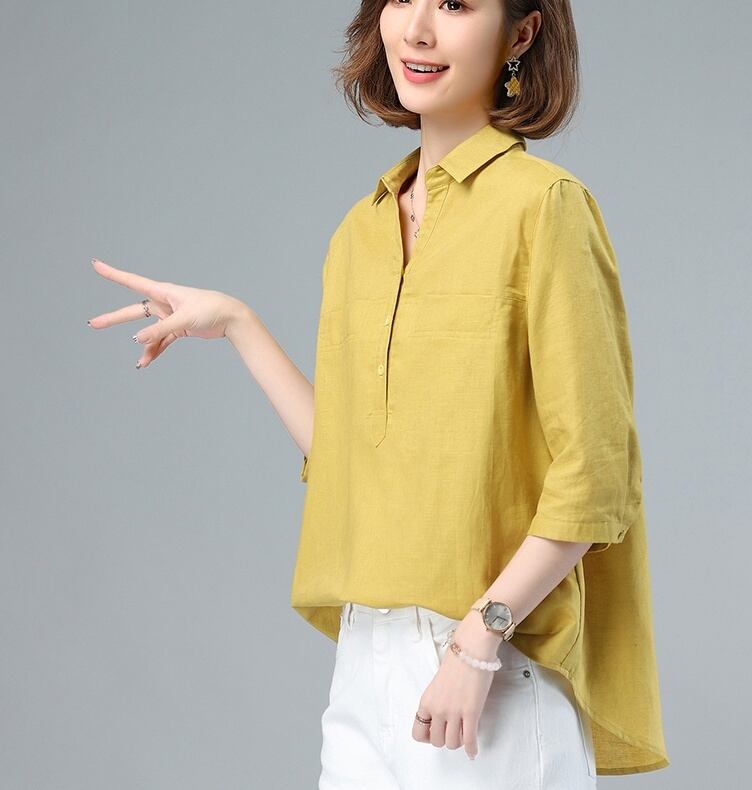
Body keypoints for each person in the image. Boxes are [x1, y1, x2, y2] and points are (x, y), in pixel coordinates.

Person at [88, 1, 670, 787]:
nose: (418, 30)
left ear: (521, 32)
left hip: (494, 663)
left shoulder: (545, 207)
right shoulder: (358, 232)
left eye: (456, 4)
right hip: (366, 663)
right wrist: (237, 324)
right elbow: (350, 465)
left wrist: (480, 639)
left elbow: (596, 475)